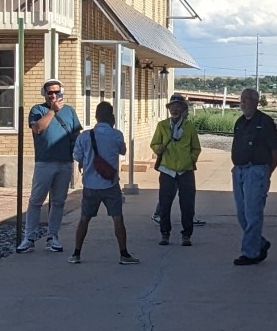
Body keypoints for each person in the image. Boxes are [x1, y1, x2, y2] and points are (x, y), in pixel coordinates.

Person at [71, 101, 138, 264]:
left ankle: (76, 254)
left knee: (84, 219)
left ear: (96, 117)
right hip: (110, 184)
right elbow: (122, 151)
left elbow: (77, 156)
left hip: (90, 185)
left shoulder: (84, 136)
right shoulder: (116, 135)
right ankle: (124, 254)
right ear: (112, 117)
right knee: (117, 218)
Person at [19, 80, 79, 253]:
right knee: (36, 201)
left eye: (57, 93)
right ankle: (29, 237)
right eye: (50, 93)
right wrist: (52, 110)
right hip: (44, 162)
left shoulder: (70, 111)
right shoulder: (37, 110)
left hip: (65, 163)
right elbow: (37, 128)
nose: (54, 96)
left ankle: (53, 237)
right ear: (44, 94)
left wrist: (80, 158)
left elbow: (75, 135)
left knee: (58, 201)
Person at [229, 88, 277, 265]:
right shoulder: (240, 122)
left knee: (253, 214)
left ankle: (250, 253)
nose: (243, 102)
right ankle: (259, 242)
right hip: (239, 171)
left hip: (256, 171)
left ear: (256, 102)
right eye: (242, 99)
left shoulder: (265, 122)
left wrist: (268, 173)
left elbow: (276, 150)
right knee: (242, 214)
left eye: (247, 99)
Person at [150, 93, 203, 246]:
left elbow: (196, 148)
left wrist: (190, 160)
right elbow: (154, 143)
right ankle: (164, 234)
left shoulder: (190, 127)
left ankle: (186, 235)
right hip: (167, 170)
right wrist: (158, 149)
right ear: (169, 109)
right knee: (165, 203)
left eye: (178, 107)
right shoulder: (162, 125)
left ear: (183, 109)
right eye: (172, 107)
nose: (174, 109)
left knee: (187, 204)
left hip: (185, 171)